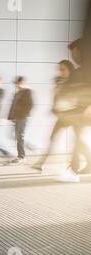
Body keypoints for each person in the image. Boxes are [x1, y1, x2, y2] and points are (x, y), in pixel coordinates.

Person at [55, 39, 91, 182]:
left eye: (74, 52)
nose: (73, 56)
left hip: (85, 111)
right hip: (78, 112)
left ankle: (73, 171)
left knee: (77, 139)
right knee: (77, 139)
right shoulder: (79, 70)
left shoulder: (87, 68)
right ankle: (75, 168)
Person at [32, 60, 76, 172]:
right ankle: (41, 163)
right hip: (62, 116)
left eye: (62, 69)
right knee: (52, 138)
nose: (60, 72)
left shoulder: (74, 82)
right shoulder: (59, 82)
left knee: (78, 140)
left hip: (74, 115)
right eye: (59, 70)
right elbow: (56, 99)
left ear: (69, 70)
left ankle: (81, 164)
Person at [8, 76, 33, 164]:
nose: (17, 85)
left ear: (22, 83)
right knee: (16, 137)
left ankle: (21, 157)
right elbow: (13, 105)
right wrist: (11, 117)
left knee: (20, 137)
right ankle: (23, 152)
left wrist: (24, 115)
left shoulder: (27, 92)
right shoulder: (17, 93)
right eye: (16, 83)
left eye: (18, 83)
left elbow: (30, 105)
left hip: (22, 118)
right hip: (17, 118)